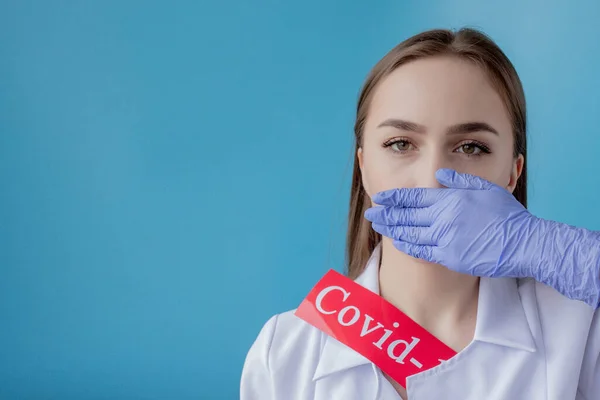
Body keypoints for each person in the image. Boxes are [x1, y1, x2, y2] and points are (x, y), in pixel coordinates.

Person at [240, 27, 600, 400]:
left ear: (513, 172)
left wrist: (553, 250)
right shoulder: (284, 354)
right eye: (400, 144)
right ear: (363, 166)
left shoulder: (582, 333)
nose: (432, 182)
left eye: (472, 148)